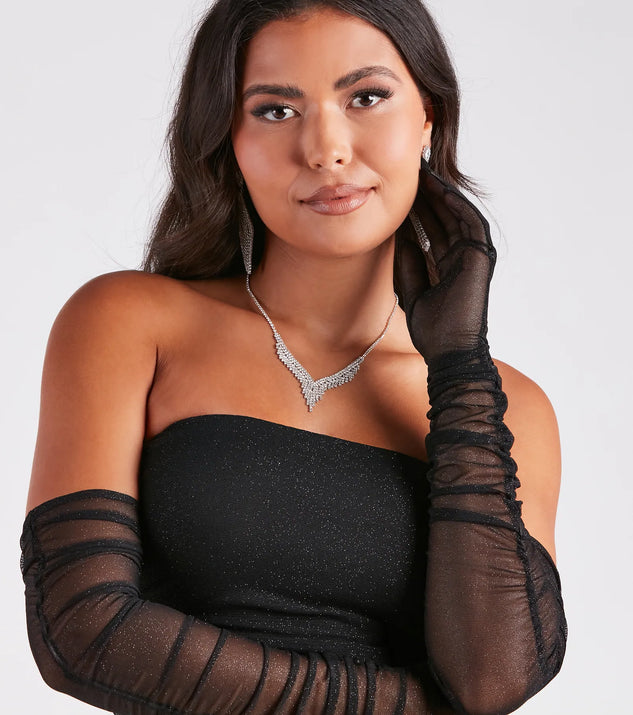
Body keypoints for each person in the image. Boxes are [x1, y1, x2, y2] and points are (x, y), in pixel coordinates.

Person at [20, 0, 567, 713]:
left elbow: (492, 680)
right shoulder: (131, 322)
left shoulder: (506, 408)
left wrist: (460, 366)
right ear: (230, 138)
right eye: (276, 110)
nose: (325, 149)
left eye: (366, 97)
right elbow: (83, 631)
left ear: (427, 117)